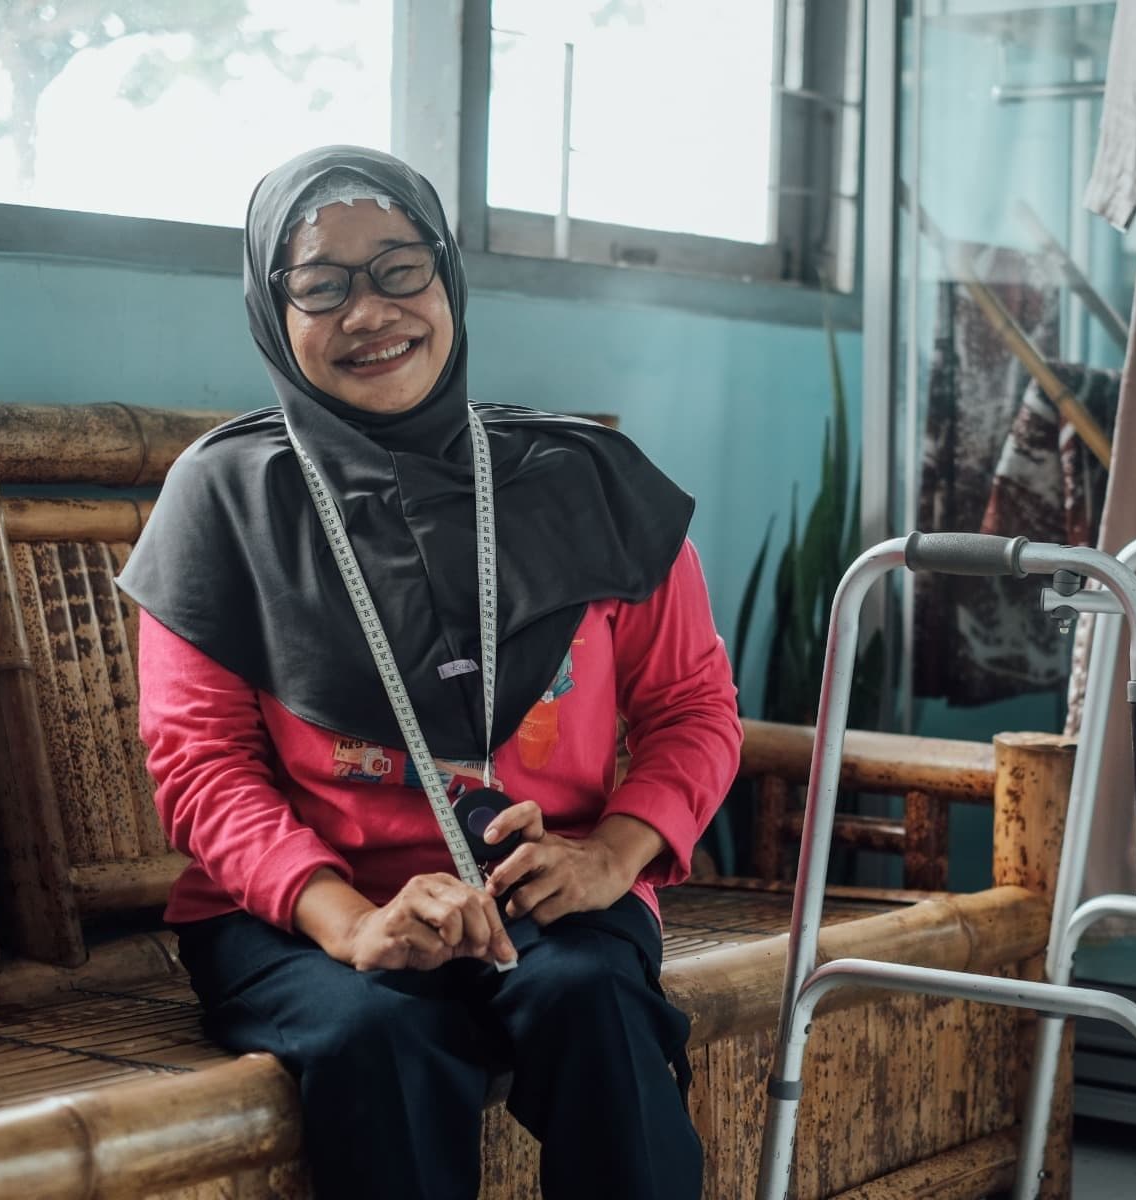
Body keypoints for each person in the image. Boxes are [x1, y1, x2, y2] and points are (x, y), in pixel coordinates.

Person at [118, 145, 743, 1200]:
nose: (370, 311)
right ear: (274, 311)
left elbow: (693, 710)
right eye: (321, 284)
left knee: (597, 1002)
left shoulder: (581, 484)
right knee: (380, 1039)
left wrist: (609, 860)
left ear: (448, 279)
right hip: (307, 917)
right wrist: (351, 923)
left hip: (553, 890)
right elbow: (203, 767)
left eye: (401, 268)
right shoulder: (225, 502)